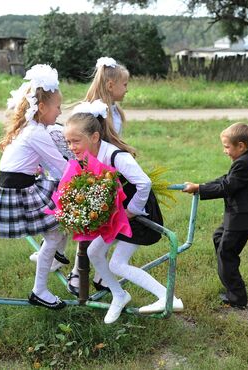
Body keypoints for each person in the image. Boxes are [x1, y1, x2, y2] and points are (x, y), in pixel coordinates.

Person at [63, 101, 184, 324]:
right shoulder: (89, 156)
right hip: (119, 216)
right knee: (94, 253)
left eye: (75, 141)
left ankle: (169, 297)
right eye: (68, 142)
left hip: (139, 216)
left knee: (117, 264)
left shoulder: (118, 157)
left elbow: (144, 183)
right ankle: (119, 295)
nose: (71, 146)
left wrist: (132, 210)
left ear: (95, 137)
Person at [0, 64, 69, 310]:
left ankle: (54, 256)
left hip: (21, 185)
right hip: (20, 192)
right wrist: (87, 178)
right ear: (43, 107)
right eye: (58, 107)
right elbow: (60, 168)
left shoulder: (31, 127)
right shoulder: (36, 133)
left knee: (61, 219)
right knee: (57, 228)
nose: (60, 112)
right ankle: (39, 289)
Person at [183, 122, 248, 309]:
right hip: (239, 216)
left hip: (243, 219)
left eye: (227, 147)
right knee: (219, 238)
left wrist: (199, 189)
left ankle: (237, 298)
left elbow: (226, 187)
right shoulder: (246, 159)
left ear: (241, 146)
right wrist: (200, 185)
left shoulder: (245, 164)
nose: (224, 151)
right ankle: (233, 291)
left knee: (226, 253)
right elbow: (226, 180)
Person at [66, 56, 131, 296]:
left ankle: (100, 273)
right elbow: (79, 141)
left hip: (109, 171)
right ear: (111, 85)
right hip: (93, 174)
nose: (127, 89)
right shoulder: (91, 111)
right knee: (91, 224)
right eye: (124, 85)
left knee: (108, 223)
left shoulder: (114, 110)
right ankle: (77, 272)